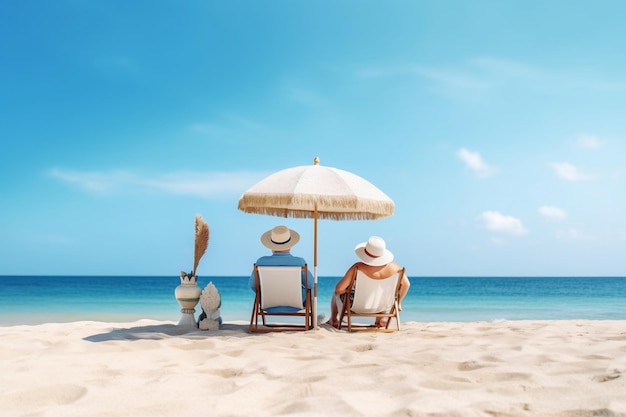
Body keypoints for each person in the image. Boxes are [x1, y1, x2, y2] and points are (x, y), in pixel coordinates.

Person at [328, 236, 410, 328]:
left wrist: (347, 290)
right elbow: (406, 285)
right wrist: (398, 302)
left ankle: (333, 320)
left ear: (365, 253)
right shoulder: (395, 268)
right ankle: (381, 320)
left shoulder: (358, 267)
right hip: (383, 306)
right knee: (382, 294)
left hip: (357, 306)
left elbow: (338, 290)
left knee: (335, 293)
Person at [249, 225, 314, 297]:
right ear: (290, 245)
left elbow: (252, 285)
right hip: (295, 305)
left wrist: (264, 294)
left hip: (268, 303)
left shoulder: (261, 262)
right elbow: (311, 284)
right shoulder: (299, 262)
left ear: (271, 247)